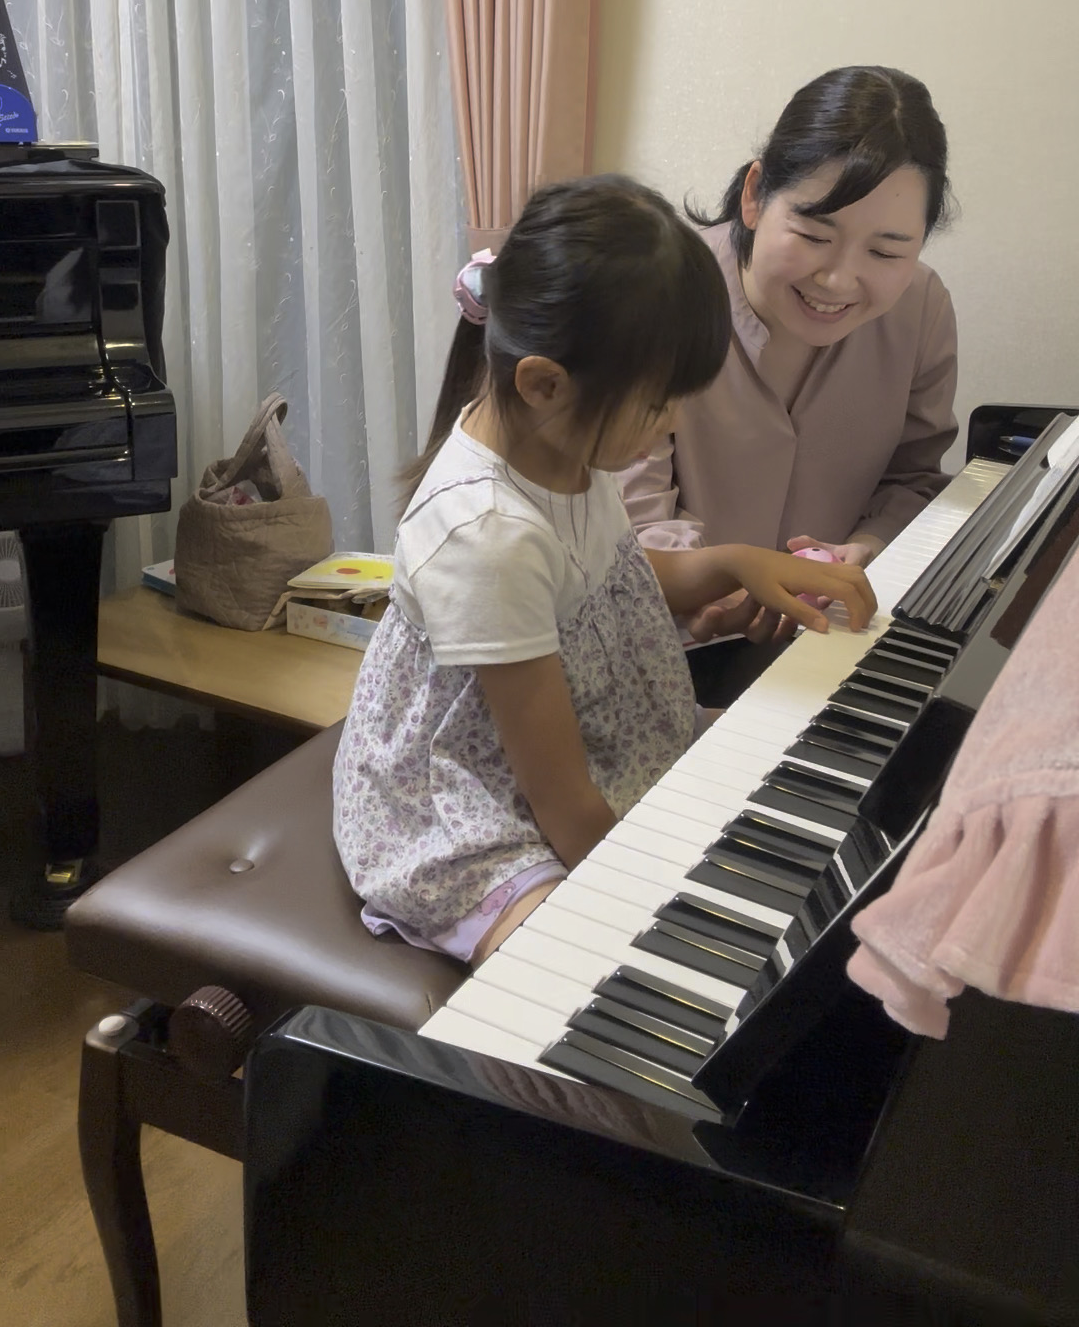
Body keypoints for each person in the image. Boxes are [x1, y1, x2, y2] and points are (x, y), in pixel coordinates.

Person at [333, 175, 875, 967]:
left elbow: (607, 578)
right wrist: (659, 906)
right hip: (461, 798)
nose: (673, 422)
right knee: (566, 960)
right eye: (658, 406)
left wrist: (733, 564)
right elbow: (560, 800)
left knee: (781, 772)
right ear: (544, 384)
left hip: (575, 736)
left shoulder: (560, 443)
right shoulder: (487, 537)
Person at [619, 65, 957, 705]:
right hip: (656, 652)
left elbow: (914, 477)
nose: (838, 281)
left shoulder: (921, 309)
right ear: (754, 195)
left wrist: (865, 548)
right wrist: (716, 585)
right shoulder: (658, 298)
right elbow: (626, 524)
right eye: (813, 234)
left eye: (887, 252)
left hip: (828, 645)